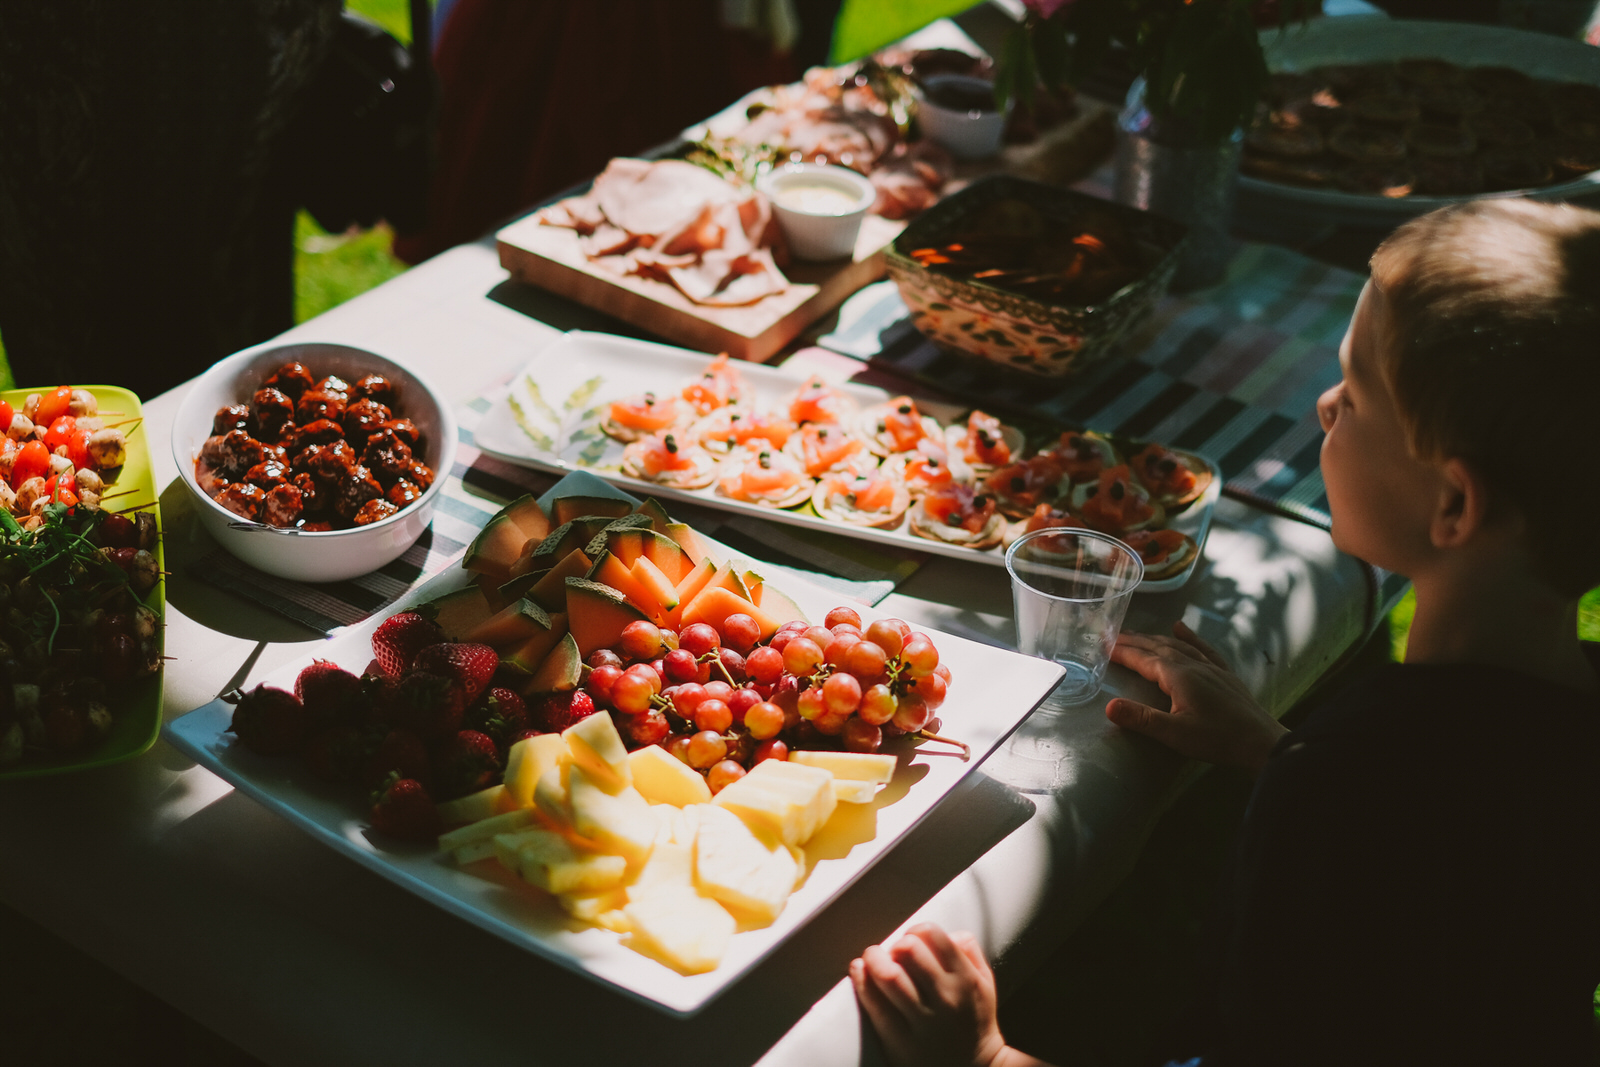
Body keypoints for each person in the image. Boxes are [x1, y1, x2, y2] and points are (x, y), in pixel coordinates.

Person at [851, 198, 1600, 1066]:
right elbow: (1459, 879)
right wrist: (1275, 748)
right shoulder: (1561, 716)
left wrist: (982, 1055)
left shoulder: (1348, 796)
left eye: (1354, 397)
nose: (1325, 405)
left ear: (1454, 506)